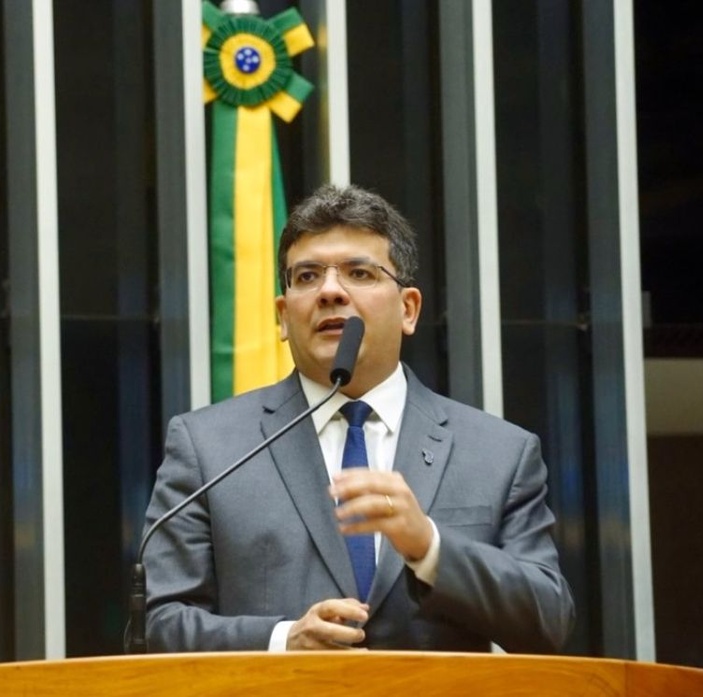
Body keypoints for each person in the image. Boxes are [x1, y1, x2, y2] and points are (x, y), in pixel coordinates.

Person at [143, 184, 574, 653]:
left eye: (359, 272)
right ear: (284, 318)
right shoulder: (208, 448)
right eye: (307, 276)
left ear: (408, 309)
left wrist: (429, 547)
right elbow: (162, 626)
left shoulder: (498, 453)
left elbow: (548, 620)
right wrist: (283, 639)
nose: (330, 291)